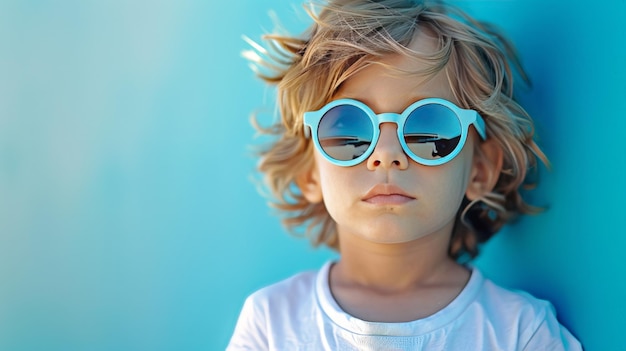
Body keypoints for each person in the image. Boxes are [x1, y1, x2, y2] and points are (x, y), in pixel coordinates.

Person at [228, 0, 582, 349]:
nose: (386, 154)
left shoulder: (521, 331)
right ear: (310, 173)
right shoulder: (270, 323)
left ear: (480, 169)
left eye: (428, 127)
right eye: (349, 129)